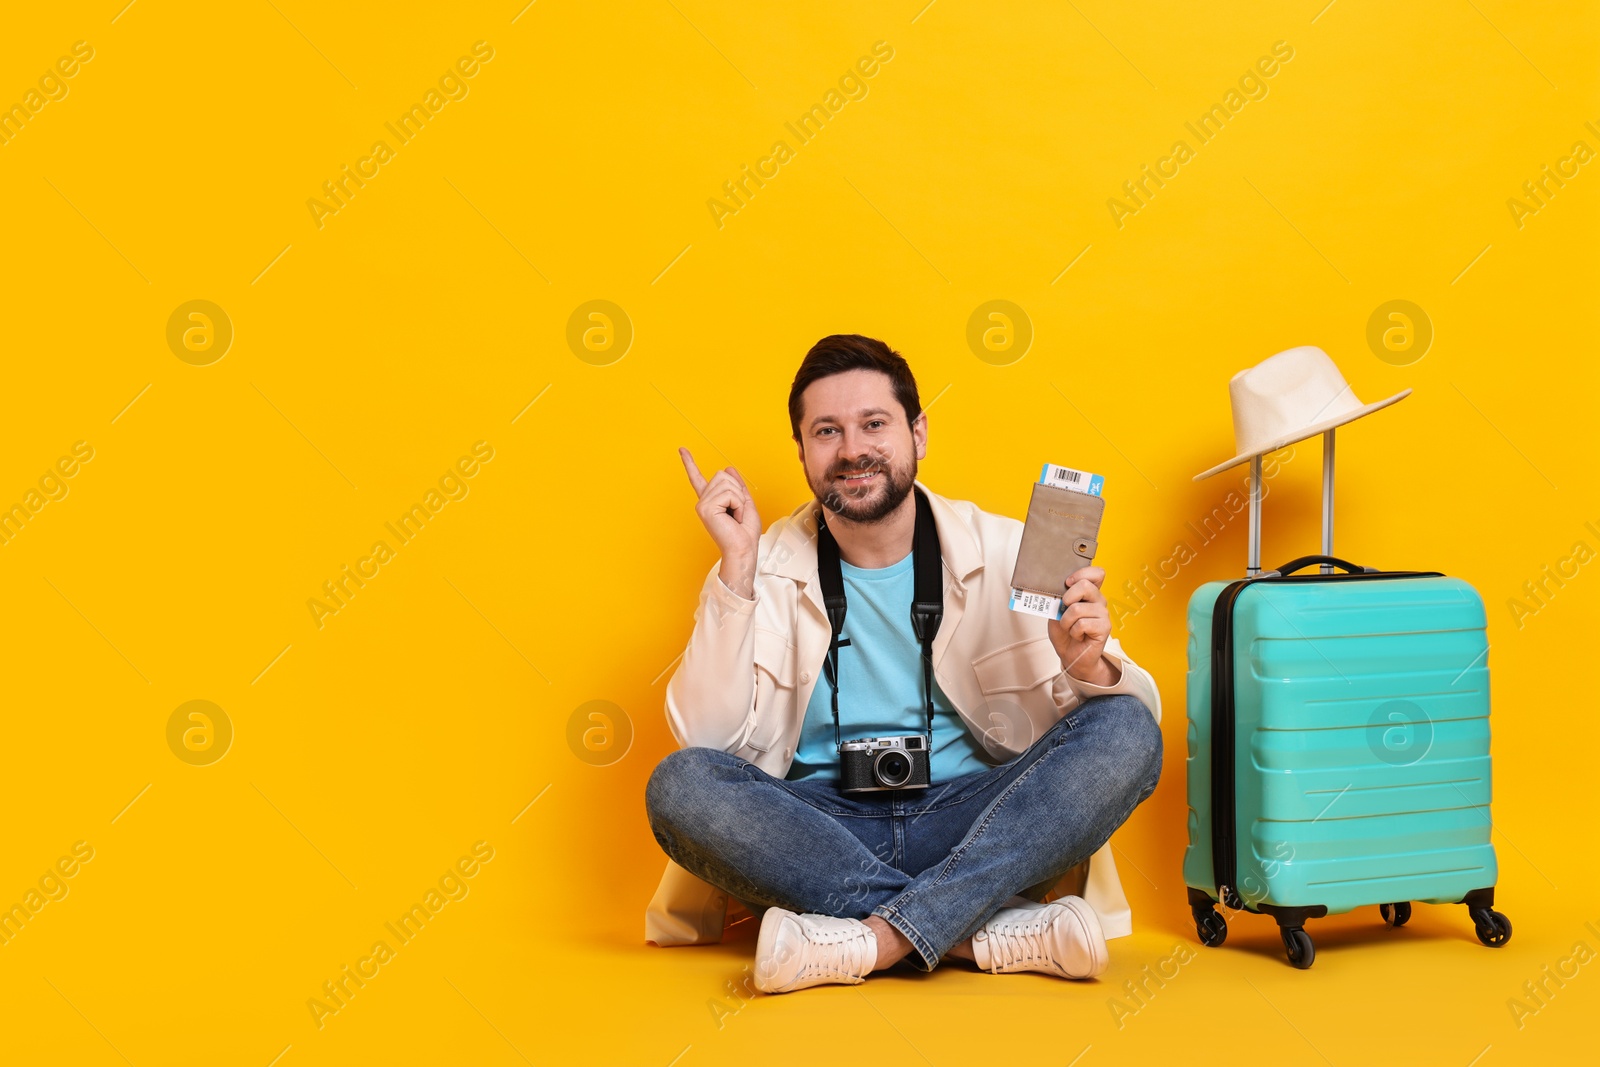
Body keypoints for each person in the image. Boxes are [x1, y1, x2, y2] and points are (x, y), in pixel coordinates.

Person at [644, 334, 1162, 993]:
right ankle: (977, 931)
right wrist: (736, 572)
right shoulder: (762, 562)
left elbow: (1129, 739)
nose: (853, 449)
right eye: (827, 430)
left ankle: (873, 939)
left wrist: (1088, 666)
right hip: (821, 831)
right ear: (801, 452)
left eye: (874, 424)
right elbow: (706, 740)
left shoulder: (1008, 550)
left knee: (1128, 728)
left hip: (977, 822)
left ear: (918, 432)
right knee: (679, 784)